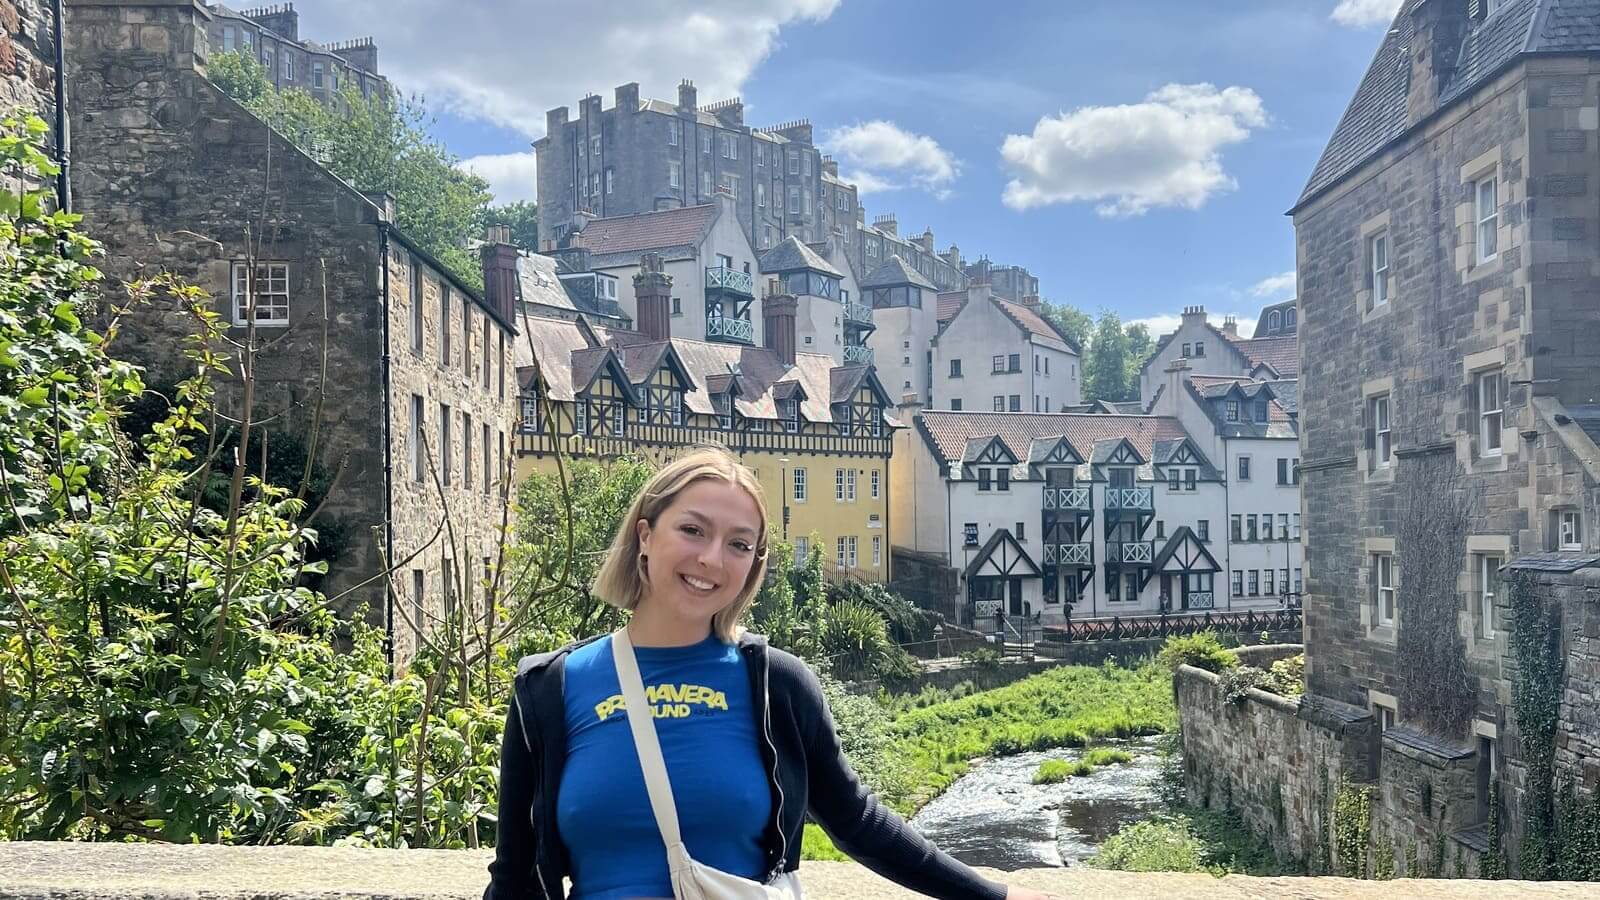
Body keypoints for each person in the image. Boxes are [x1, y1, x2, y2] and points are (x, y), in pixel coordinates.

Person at [486, 447, 1054, 900]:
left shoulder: (774, 685)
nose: (712, 558)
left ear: (753, 565)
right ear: (644, 535)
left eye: (739, 545)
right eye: (692, 530)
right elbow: (514, 877)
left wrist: (992, 895)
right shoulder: (551, 690)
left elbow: (857, 821)